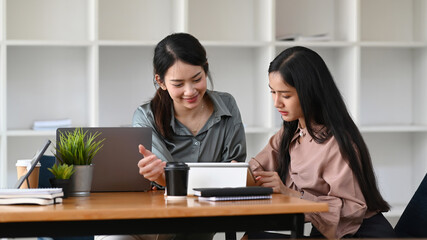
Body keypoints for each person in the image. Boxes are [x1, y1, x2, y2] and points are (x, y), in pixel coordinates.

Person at [246, 46, 396, 239]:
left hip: (359, 234)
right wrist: (239, 172)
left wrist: (289, 194)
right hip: (325, 234)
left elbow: (352, 209)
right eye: (273, 92)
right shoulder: (291, 130)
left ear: (310, 92)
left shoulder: (338, 143)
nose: (277, 103)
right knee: (252, 236)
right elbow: (259, 165)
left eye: (286, 95)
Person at [133, 32, 247, 188]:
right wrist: (163, 177)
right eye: (178, 84)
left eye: (197, 79)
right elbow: (164, 175)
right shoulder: (146, 117)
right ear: (161, 81)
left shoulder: (227, 104)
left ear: (205, 69)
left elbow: (235, 172)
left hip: (217, 207)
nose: (190, 91)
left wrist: (166, 178)